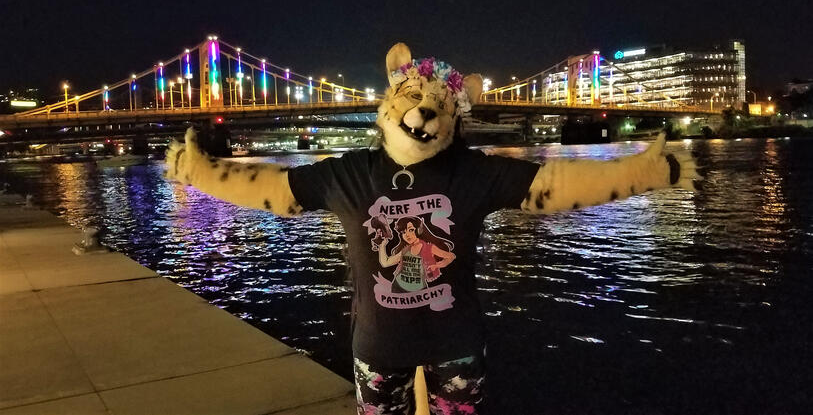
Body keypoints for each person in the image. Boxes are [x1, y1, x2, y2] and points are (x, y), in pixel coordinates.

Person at [166, 42, 698, 414]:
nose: (425, 113)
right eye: (415, 100)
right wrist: (199, 171)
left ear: (455, 117)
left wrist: (641, 171)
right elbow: (275, 191)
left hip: (457, 347)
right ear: (388, 105)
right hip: (378, 352)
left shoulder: (474, 171)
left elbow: (552, 186)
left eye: (441, 107)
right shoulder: (349, 173)